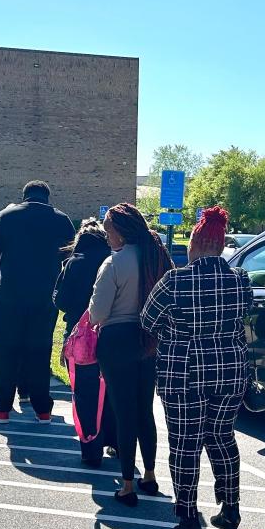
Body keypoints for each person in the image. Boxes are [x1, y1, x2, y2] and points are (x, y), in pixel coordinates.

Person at [141, 206, 251, 529]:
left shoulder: (175, 280)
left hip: (183, 373)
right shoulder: (240, 279)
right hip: (230, 371)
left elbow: (147, 320)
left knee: (185, 444)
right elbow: (243, 318)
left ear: (198, 244)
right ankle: (230, 507)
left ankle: (188, 515)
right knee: (222, 438)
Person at [88, 203, 173, 506]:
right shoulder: (156, 256)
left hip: (117, 340)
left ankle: (127, 484)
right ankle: (149, 474)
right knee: (144, 410)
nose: (106, 235)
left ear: (121, 232)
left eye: (109, 230)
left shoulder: (114, 263)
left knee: (123, 412)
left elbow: (97, 313)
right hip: (148, 340)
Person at [0, 181, 76, 422]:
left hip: (10, 294)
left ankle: (2, 407)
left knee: (5, 350)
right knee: (40, 349)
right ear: (47, 197)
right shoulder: (61, 219)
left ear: (24, 196)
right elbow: (70, 259)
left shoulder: (6, 216)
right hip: (45, 297)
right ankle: (42, 408)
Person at [54, 219, 116, 467]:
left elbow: (59, 300)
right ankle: (115, 440)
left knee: (84, 393)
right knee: (111, 390)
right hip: (110, 331)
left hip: (80, 335)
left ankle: (90, 448)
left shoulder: (73, 263)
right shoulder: (112, 260)